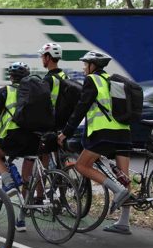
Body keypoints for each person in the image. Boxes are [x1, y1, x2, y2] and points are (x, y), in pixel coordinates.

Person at [57, 51, 134, 235]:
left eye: (86, 64)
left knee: (82, 166)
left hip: (103, 133)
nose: (84, 68)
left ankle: (116, 190)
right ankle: (124, 222)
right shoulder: (112, 80)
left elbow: (81, 108)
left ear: (93, 65)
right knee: (124, 177)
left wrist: (65, 132)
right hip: (123, 132)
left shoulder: (92, 80)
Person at [0, 61, 39, 232]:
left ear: (11, 77)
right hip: (34, 137)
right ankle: (21, 219)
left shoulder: (4, 92)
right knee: (27, 179)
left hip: (13, 136)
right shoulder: (34, 92)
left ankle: (8, 181)